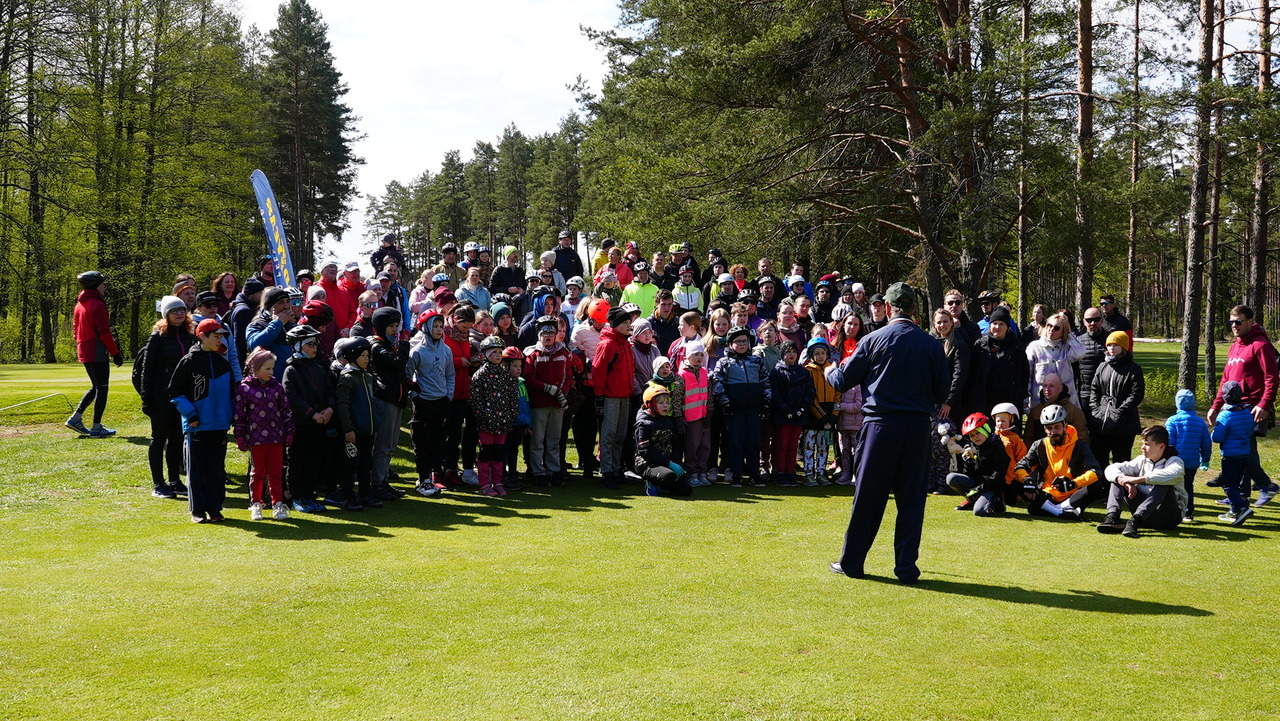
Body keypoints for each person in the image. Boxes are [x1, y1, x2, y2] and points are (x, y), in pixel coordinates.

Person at [826, 282, 947, 583]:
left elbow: (842, 380)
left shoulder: (873, 340)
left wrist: (830, 369)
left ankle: (852, 563)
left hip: (880, 425)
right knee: (912, 500)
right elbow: (941, 390)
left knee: (867, 496)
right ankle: (906, 569)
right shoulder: (932, 344)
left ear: (889, 308)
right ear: (915, 309)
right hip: (918, 427)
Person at [1208, 305, 1280, 507]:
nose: (1234, 326)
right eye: (1231, 322)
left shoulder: (1260, 345)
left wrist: (1265, 404)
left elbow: (1272, 378)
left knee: (1241, 450)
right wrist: (1216, 405)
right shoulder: (1235, 346)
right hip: (1232, 406)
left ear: (1250, 321)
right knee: (1242, 450)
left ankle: (1266, 486)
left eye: (1238, 322)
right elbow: (1226, 379)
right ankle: (1241, 494)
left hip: (1251, 406)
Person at [168, 319, 236, 523]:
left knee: (216, 471)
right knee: (196, 471)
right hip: (197, 427)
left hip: (219, 426)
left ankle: (215, 508)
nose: (220, 340)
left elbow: (232, 395)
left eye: (222, 336)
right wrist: (191, 415)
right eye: (216, 336)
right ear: (202, 337)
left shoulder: (223, 363)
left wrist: (231, 416)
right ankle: (197, 510)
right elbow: (175, 392)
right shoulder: (189, 361)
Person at [138, 296, 196, 498]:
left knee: (177, 439)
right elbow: (147, 369)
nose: (179, 313)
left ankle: (174, 480)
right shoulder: (158, 337)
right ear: (166, 315)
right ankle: (158, 484)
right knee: (159, 439)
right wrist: (147, 398)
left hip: (182, 396)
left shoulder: (190, 334)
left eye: (182, 310)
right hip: (161, 396)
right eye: (174, 311)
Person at [282, 325, 342, 512]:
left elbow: (329, 391)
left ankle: (310, 494)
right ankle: (297, 496)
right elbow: (292, 397)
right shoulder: (291, 370)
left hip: (320, 424)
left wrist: (330, 409)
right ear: (298, 346)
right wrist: (312, 413)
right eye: (309, 344)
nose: (315, 347)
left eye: (315, 343)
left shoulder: (319, 367)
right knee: (298, 461)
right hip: (301, 424)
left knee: (316, 460)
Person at [1013, 404, 1105, 520]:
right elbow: (1020, 466)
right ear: (1044, 429)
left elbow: (1096, 471)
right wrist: (1027, 480)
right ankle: (1062, 511)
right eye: (1049, 428)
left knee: (1096, 485)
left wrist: (1073, 484)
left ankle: (1051, 509)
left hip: (1072, 493)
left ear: (1065, 426)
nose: (1053, 432)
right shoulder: (1039, 445)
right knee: (1017, 482)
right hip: (1048, 493)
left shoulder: (1080, 445)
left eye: (1057, 427)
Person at [234, 349, 295, 521]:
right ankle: (256, 503)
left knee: (276, 472)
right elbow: (240, 415)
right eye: (267, 368)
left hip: (276, 437)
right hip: (256, 438)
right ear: (255, 368)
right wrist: (239, 435)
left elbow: (285, 411)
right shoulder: (244, 389)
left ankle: (278, 504)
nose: (271, 372)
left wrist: (289, 430)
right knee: (258, 472)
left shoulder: (277, 388)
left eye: (272, 368)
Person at [1095, 425, 1187, 537]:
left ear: (1161, 446)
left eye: (1147, 444)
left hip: (1168, 519)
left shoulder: (1175, 461)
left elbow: (1171, 475)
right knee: (1119, 478)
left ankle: (1134, 521)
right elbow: (1111, 468)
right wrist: (1125, 481)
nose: (1142, 447)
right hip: (1145, 518)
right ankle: (1113, 517)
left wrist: (1136, 480)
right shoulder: (1141, 460)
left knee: (1164, 483)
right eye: (1143, 443)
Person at [712, 326, 772, 487]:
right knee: (736, 443)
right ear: (730, 344)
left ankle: (754, 474)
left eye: (744, 341)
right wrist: (725, 402)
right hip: (734, 410)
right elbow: (717, 383)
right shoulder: (724, 362)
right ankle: (737, 474)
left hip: (753, 409)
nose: (742, 344)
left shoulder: (756, 361)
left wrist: (766, 402)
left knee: (753, 442)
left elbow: (765, 382)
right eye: (738, 341)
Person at [67, 271, 123, 438]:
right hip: (96, 351)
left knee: (96, 387)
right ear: (95, 286)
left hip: (84, 349)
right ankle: (97, 428)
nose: (104, 286)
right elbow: (104, 333)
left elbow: (76, 331)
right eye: (102, 284)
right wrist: (116, 353)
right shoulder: (97, 305)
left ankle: (75, 418)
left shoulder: (79, 304)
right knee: (102, 389)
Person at [406, 309, 453, 497]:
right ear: (425, 327)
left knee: (438, 442)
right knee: (422, 442)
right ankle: (423, 479)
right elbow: (408, 376)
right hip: (423, 402)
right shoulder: (417, 351)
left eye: (441, 326)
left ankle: (431, 479)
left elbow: (450, 375)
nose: (439, 329)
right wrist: (414, 396)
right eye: (435, 325)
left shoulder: (446, 350)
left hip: (441, 402)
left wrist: (448, 396)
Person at [367, 307, 411, 500]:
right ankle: (377, 483)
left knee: (391, 444)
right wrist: (405, 346)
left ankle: (383, 481)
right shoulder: (377, 346)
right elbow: (397, 363)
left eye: (396, 326)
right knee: (383, 445)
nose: (395, 330)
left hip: (396, 398)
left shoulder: (390, 344)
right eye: (391, 326)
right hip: (386, 399)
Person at [524, 316, 574, 487]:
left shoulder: (564, 353)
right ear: (539, 335)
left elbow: (568, 376)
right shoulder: (533, 354)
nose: (548, 336)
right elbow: (528, 378)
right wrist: (547, 388)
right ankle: (538, 471)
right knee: (537, 440)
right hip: (539, 403)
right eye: (544, 333)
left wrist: (561, 392)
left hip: (557, 403)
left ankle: (553, 470)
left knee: (554, 439)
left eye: (551, 333)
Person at [469, 336, 520, 496]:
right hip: (486, 423)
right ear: (485, 354)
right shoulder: (480, 375)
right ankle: (484, 483)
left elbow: (513, 398)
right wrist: (483, 415)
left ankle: (497, 482)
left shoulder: (506, 376)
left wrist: (511, 415)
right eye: (494, 352)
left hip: (503, 422)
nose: (498, 355)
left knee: (499, 454)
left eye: (500, 352)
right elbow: (475, 400)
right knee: (486, 453)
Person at [334, 336, 380, 510]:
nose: (366, 359)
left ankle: (365, 495)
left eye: (368, 355)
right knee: (350, 464)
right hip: (353, 431)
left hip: (368, 430)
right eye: (363, 355)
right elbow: (343, 406)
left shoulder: (367, 377)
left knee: (366, 463)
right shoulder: (347, 378)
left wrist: (374, 423)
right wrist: (348, 429)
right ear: (352, 356)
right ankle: (348, 496)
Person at [1088, 331, 1145, 467]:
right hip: (1101, 422)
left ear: (1123, 347)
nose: (1112, 348)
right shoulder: (1102, 367)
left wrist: (1120, 411)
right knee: (1099, 458)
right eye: (1110, 345)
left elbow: (1136, 394)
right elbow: (1094, 390)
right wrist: (1096, 409)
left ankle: (1119, 488)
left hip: (1124, 425)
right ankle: (1102, 487)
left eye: (1116, 345)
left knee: (1121, 460)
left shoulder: (1133, 369)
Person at [595, 307, 636, 490]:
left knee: (620, 435)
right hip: (610, 396)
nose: (629, 326)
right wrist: (600, 396)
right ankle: (606, 472)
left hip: (624, 396)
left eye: (629, 323)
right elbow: (598, 371)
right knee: (609, 434)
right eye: (625, 323)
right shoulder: (607, 344)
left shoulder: (625, 343)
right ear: (616, 324)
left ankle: (616, 469)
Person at [945, 413, 1010, 516]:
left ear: (986, 429)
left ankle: (998, 502)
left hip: (991, 487)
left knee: (979, 511)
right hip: (977, 485)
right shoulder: (975, 447)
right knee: (951, 478)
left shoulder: (998, 447)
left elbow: (998, 476)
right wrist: (969, 460)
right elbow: (969, 474)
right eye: (972, 435)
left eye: (977, 433)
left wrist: (978, 489)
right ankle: (972, 500)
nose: (975, 437)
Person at [634, 385, 694, 497]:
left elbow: (675, 445)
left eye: (667, 402)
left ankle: (663, 482)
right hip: (647, 464)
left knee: (686, 490)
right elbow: (645, 451)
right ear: (650, 404)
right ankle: (651, 481)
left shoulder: (668, 420)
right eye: (661, 403)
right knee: (668, 476)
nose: (665, 405)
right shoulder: (642, 424)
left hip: (665, 463)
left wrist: (676, 464)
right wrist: (669, 464)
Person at [1212, 380, 1258, 525]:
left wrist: (1213, 432)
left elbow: (1217, 437)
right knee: (1236, 483)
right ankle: (1233, 511)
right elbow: (1250, 430)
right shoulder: (1246, 413)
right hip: (1244, 454)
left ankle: (1241, 507)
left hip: (1231, 456)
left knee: (1228, 484)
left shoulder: (1224, 416)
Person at [1166, 389, 1212, 522]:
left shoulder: (1172, 421)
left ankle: (1172, 509)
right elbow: (1206, 444)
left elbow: (1169, 442)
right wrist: (1205, 460)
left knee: (1172, 485)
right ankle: (1188, 512)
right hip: (1192, 461)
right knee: (1188, 486)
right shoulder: (1200, 423)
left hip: (1175, 461)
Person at [802, 337, 839, 487]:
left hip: (830, 412)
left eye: (822, 353)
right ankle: (809, 473)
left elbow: (838, 392)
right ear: (811, 355)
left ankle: (821, 472)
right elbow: (810, 397)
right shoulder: (808, 371)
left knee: (823, 446)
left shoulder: (832, 369)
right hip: (814, 415)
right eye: (816, 353)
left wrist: (834, 414)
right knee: (810, 446)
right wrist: (821, 415)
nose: (820, 356)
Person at [1025, 311, 1086, 402]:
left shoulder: (1067, 347)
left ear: (1063, 332)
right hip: (1040, 401)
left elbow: (1081, 352)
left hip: (1066, 401)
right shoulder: (1034, 347)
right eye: (1049, 325)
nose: (1051, 329)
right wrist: (1026, 399)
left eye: (1056, 328)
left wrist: (1069, 333)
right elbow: (1027, 375)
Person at [245, 286, 300, 379]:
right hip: (268, 384)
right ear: (270, 308)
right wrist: (277, 323)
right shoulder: (257, 325)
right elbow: (254, 345)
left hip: (292, 382)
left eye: (287, 301)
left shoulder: (294, 326)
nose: (286, 306)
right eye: (281, 303)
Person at [931, 307, 971, 427]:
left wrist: (948, 401)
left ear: (951, 323)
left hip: (952, 403)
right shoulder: (932, 343)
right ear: (934, 324)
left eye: (945, 321)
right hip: (932, 400)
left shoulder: (959, 345)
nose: (942, 325)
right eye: (939, 322)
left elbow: (959, 375)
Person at [1024, 372, 1090, 443]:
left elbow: (1083, 439)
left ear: (1060, 388)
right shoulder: (1035, 411)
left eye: (1051, 386)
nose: (1047, 389)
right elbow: (1028, 438)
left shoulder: (1074, 412)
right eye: (1045, 386)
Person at [834, 367, 864, 487]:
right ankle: (846, 474)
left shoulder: (858, 386)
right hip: (842, 426)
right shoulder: (839, 386)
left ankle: (857, 475)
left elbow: (858, 405)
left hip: (855, 425)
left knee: (857, 451)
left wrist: (841, 406)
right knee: (844, 451)